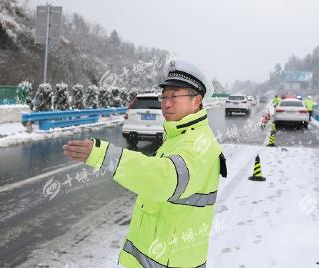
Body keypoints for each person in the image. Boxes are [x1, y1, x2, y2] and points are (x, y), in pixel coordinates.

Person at [63, 59, 227, 268]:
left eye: (174, 96)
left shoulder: (200, 143)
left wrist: (105, 156)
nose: (166, 103)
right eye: (164, 96)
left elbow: (163, 179)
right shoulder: (178, 136)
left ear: (196, 101)